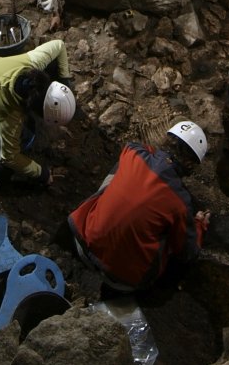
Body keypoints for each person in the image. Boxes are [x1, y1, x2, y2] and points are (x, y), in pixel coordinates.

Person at [68, 121, 211, 292]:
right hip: (121, 280)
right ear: (189, 164)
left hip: (82, 242)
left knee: (117, 176)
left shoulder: (133, 151)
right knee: (171, 233)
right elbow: (188, 253)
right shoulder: (180, 202)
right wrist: (199, 225)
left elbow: (142, 149)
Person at [0, 40, 76, 186]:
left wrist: (64, 80)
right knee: (2, 169)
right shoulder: (10, 112)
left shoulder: (32, 63)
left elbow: (59, 45)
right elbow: (9, 157)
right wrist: (41, 173)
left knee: (53, 65)